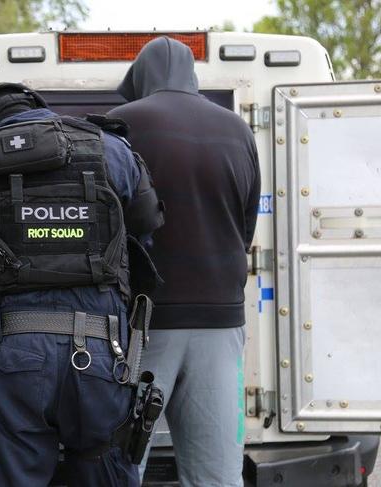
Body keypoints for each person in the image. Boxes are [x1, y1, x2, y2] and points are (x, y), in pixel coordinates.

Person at [0, 82, 163, 486]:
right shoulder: (109, 149)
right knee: (105, 467)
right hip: (102, 350)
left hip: (14, 356)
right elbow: (146, 225)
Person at [108, 37, 261, 487]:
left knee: (120, 467)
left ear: (142, 79)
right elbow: (245, 227)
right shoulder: (238, 129)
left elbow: (107, 220)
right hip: (221, 320)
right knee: (216, 475)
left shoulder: (120, 124)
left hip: (143, 324)